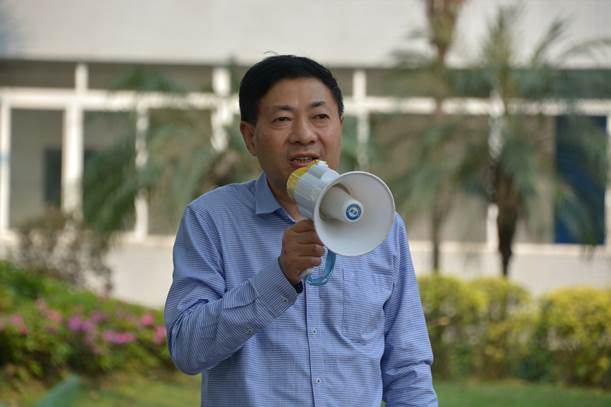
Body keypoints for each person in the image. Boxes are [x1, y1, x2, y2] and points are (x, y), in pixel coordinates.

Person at [164, 54, 438, 406]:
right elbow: (187, 349)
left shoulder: (380, 222)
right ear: (250, 137)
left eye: (320, 117)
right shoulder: (211, 219)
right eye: (282, 119)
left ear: (340, 125)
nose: (304, 135)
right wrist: (279, 276)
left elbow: (408, 368)